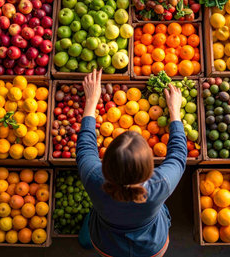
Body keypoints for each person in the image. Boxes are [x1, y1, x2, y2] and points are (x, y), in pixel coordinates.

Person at [76, 69, 187, 257]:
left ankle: (85, 238)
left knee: (90, 231)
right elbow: (178, 155)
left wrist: (91, 101)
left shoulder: (94, 177)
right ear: (149, 168)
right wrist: (175, 111)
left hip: (106, 245)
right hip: (152, 247)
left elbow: (85, 147)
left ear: (106, 163)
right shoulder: (160, 184)